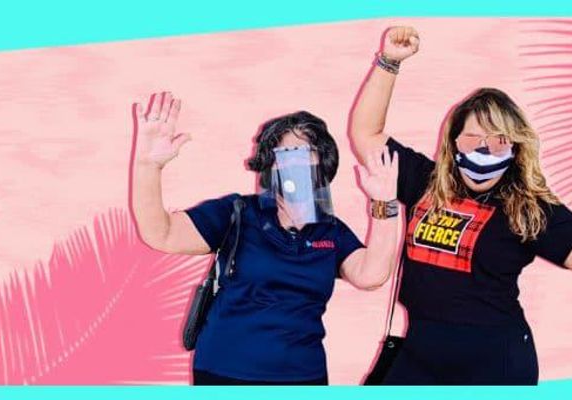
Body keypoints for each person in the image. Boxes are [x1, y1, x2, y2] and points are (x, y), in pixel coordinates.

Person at [348, 27, 572, 385]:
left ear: (515, 148)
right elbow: (366, 134)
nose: (484, 148)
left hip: (494, 360)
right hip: (420, 352)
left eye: (498, 140)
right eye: (473, 137)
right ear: (453, 142)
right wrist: (389, 61)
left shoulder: (526, 207)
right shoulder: (425, 181)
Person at [129, 91, 401, 385]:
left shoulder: (331, 231)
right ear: (269, 165)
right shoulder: (239, 213)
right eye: (284, 155)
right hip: (224, 372)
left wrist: (384, 205)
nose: (294, 164)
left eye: (305, 152)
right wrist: (148, 166)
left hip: (303, 378)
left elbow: (371, 275)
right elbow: (162, 233)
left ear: (322, 163)